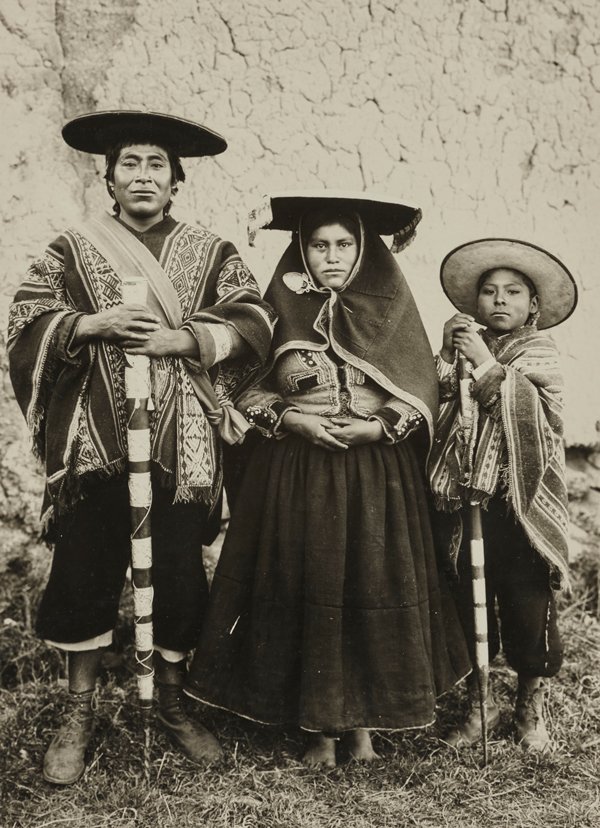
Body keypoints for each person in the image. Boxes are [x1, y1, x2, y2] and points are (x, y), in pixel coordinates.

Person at [7, 110, 275, 784]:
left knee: (182, 573)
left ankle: (174, 703)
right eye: (131, 163)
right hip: (96, 441)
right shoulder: (71, 250)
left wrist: (181, 340)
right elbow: (24, 322)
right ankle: (80, 708)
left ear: (176, 180)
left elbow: (253, 318)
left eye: (158, 164)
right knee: (85, 567)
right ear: (109, 177)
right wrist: (88, 322)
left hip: (183, 448)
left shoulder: (212, 251)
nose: (144, 175)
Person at [184, 192, 471, 767]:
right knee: (303, 582)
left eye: (344, 245)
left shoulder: (392, 307)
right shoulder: (277, 309)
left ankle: (362, 726)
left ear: (364, 251)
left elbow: (421, 390)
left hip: (376, 475)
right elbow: (245, 383)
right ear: (302, 252)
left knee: (371, 581)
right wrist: (291, 418)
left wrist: (379, 427)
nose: (332, 257)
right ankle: (315, 727)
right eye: (319, 246)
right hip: (296, 472)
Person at [428, 238, 577, 751]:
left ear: (533, 305)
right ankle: (480, 703)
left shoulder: (539, 351)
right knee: (471, 598)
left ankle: (530, 706)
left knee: (525, 602)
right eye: (489, 291)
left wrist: (488, 366)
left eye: (513, 292)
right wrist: (450, 356)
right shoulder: (465, 346)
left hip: (520, 503)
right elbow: (438, 401)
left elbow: (542, 414)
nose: (499, 300)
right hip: (469, 498)